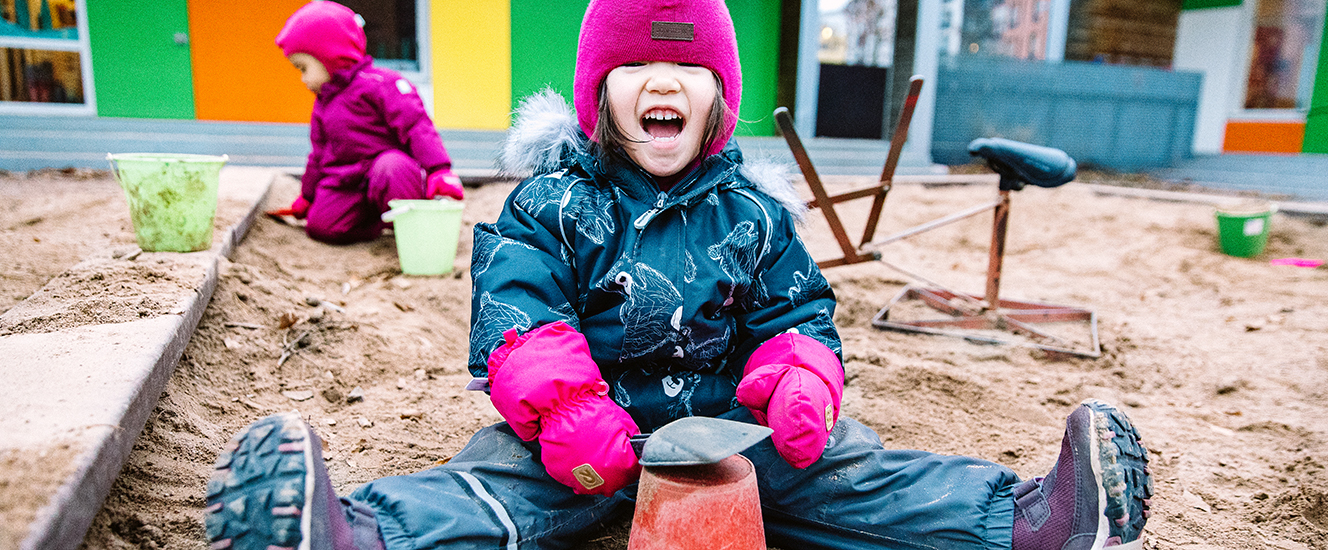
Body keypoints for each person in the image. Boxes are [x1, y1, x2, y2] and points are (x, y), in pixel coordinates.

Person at [204, 1, 1153, 549]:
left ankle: (1030, 521)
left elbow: (800, 312)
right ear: (597, 96)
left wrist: (797, 381)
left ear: (720, 101)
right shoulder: (550, 205)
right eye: (637, 66)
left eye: (687, 67)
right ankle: (353, 534)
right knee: (492, 486)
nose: (663, 80)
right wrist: (565, 410)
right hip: (577, 435)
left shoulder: (753, 215)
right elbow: (516, 310)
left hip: (728, 430)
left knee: (851, 467)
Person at [269, 1, 464, 245]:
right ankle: (375, 222)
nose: (302, 78)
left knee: (393, 167)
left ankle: (409, 224)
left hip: (386, 173)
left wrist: (439, 170)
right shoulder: (323, 103)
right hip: (347, 180)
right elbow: (318, 155)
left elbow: (416, 126)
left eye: (303, 67)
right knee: (320, 227)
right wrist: (307, 197)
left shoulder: (381, 84)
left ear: (330, 56)